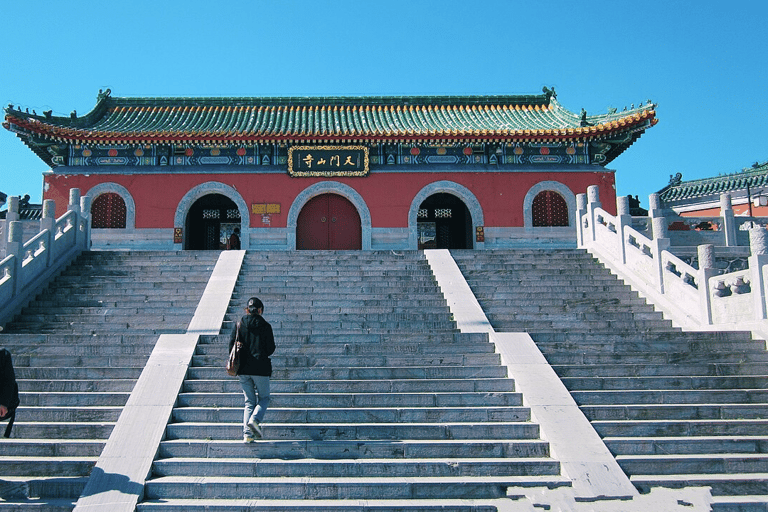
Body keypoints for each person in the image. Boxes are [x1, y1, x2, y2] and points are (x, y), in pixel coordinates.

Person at [229, 297, 275, 443]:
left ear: (247, 310)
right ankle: (254, 420)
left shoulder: (239, 324)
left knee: (249, 401)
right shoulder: (266, 326)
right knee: (264, 398)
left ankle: (247, 434)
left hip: (242, 369)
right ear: (260, 310)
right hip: (260, 368)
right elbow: (270, 349)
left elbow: (231, 346)